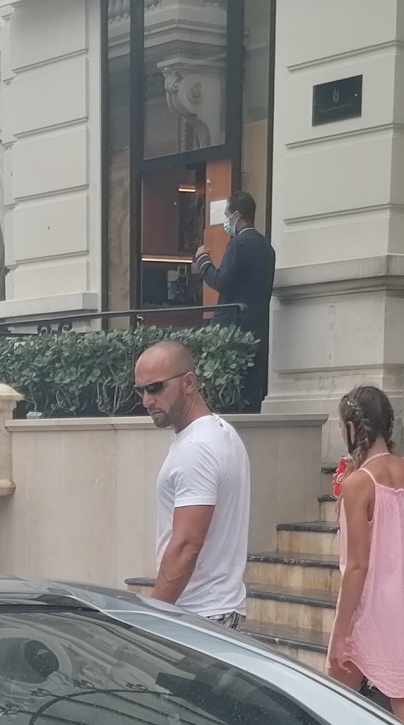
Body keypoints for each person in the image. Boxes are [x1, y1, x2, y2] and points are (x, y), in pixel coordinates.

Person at [326, 386, 404, 725]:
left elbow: (357, 565)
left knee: (334, 694)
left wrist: (340, 631)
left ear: (352, 429)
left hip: (372, 608)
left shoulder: (359, 484)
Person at [136, 338, 252, 626]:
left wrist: (152, 616)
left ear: (189, 383)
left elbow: (187, 545)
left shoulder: (197, 448)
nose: (147, 400)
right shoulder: (220, 433)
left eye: (156, 388)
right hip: (215, 611)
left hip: (200, 615)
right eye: (141, 390)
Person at [192, 190, 276, 413]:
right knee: (251, 395)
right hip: (258, 330)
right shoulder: (267, 248)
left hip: (233, 330)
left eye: (227, 214)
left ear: (237, 215)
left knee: (230, 397)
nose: (226, 220)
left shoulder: (238, 244)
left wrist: (203, 260)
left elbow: (222, 281)